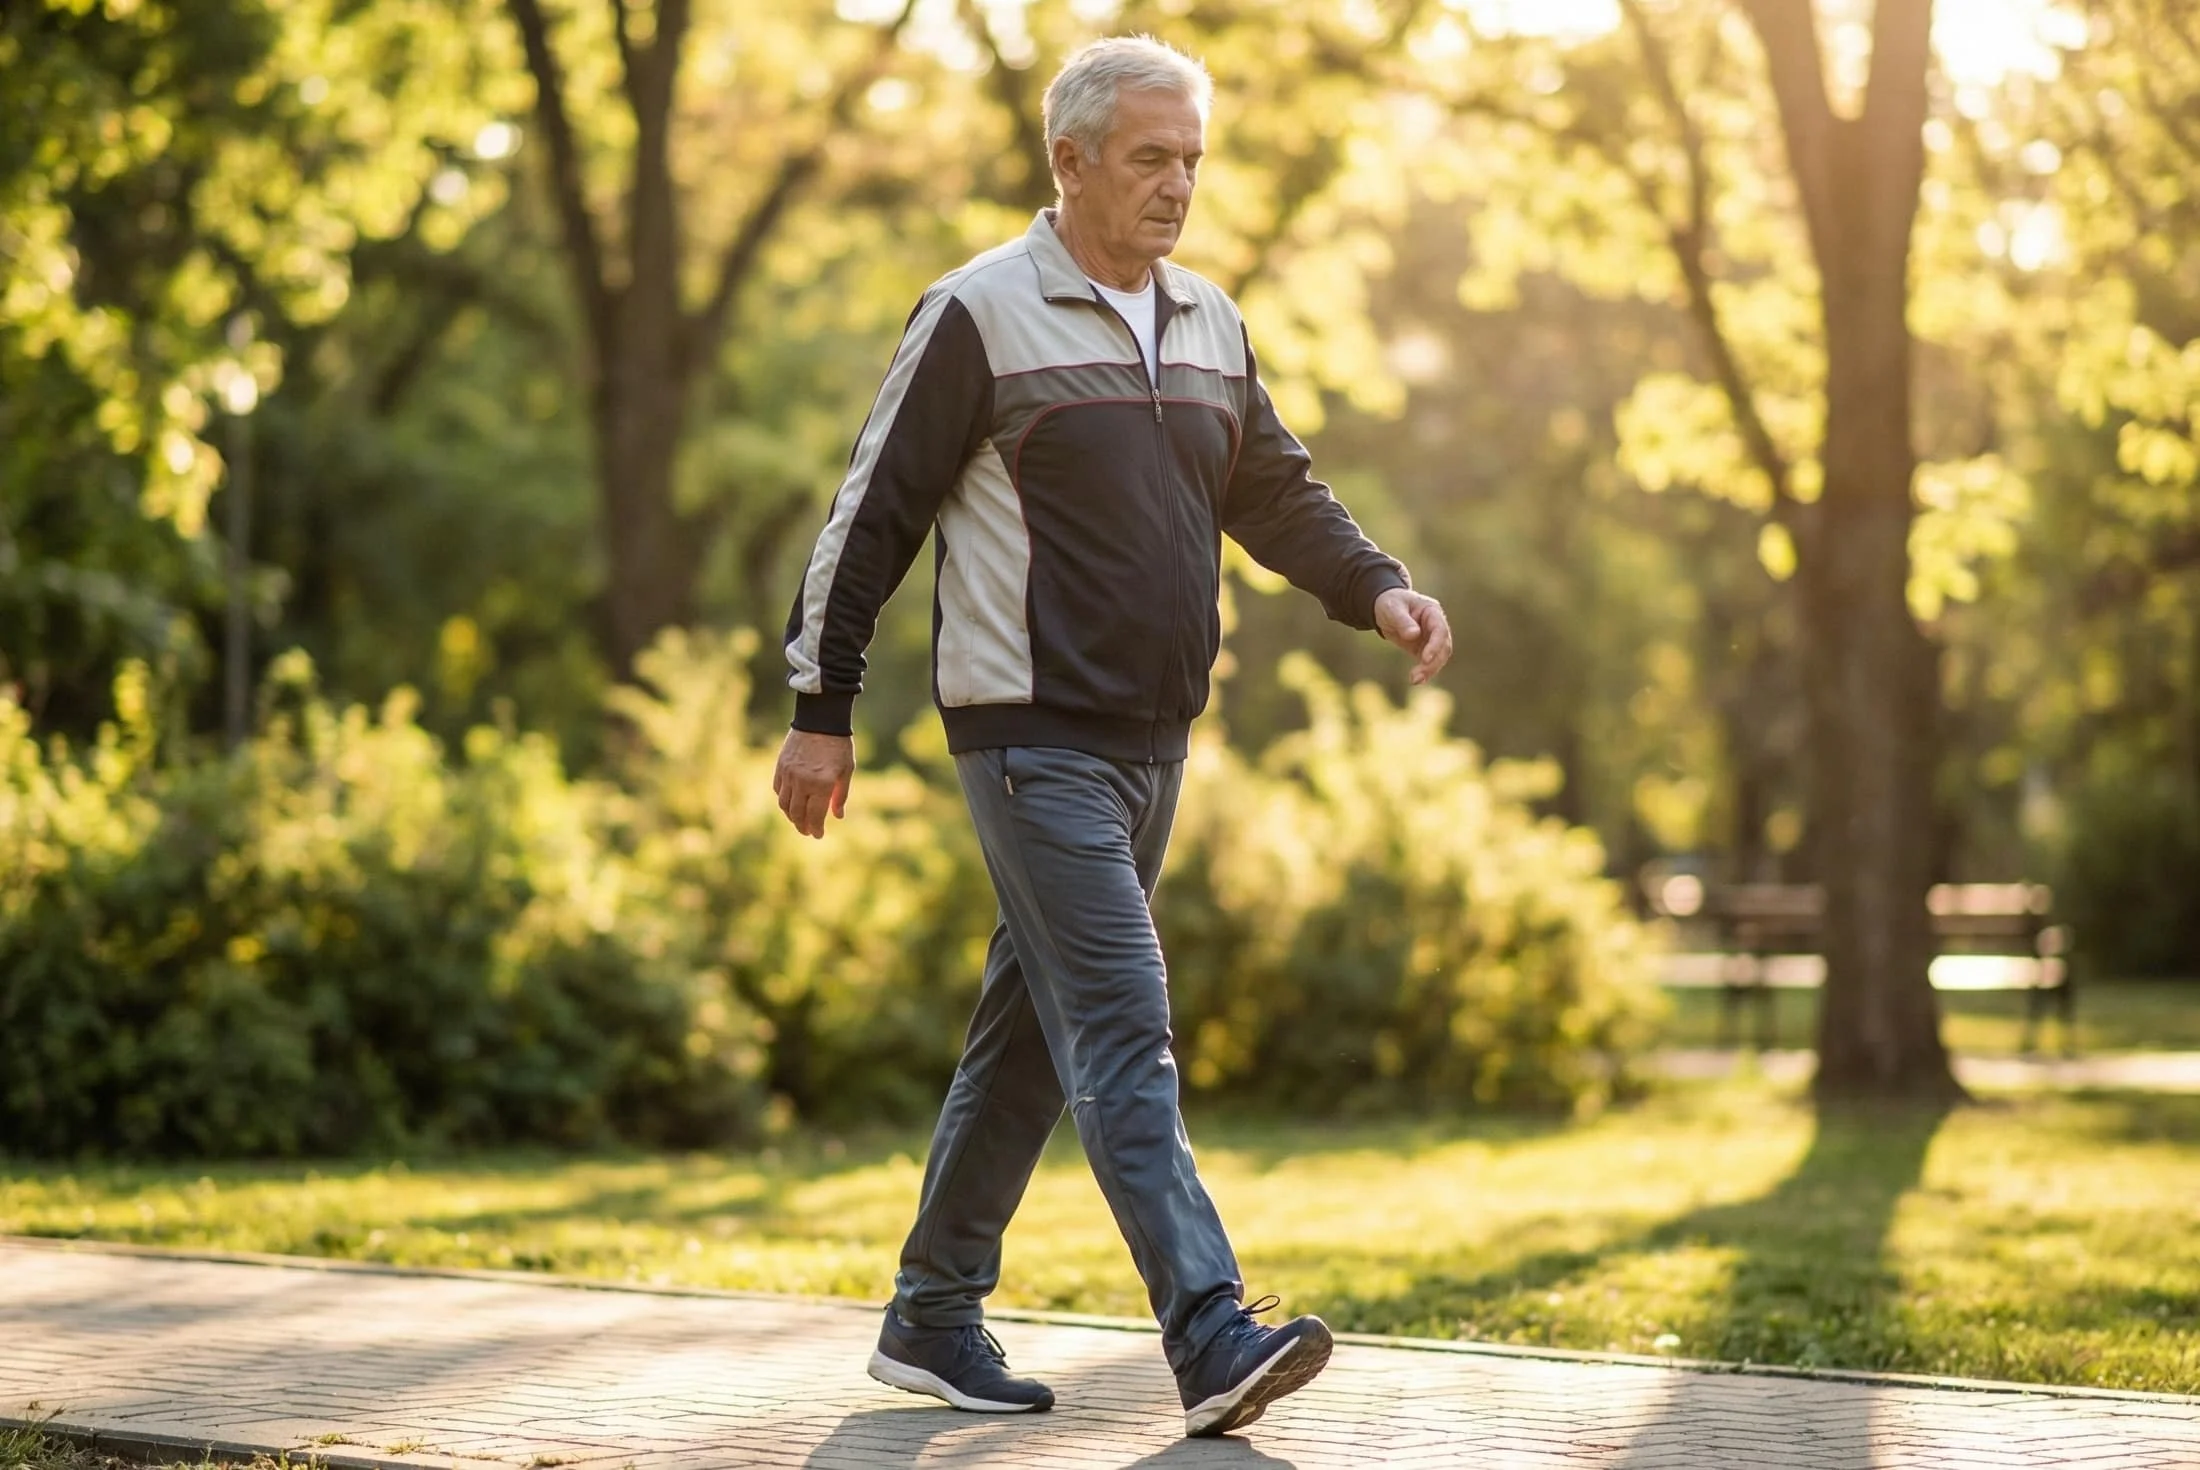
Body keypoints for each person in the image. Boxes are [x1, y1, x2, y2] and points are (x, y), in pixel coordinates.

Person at [772, 33, 1452, 1439]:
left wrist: (1374, 584)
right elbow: (871, 519)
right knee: (1125, 1023)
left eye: (1192, 159)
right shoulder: (979, 314)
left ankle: (931, 1309)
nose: (1177, 187)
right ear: (1068, 161)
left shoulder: (1207, 319)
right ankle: (1210, 1331)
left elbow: (1274, 485)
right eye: (1150, 158)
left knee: (1031, 1033)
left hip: (1158, 741)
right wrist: (820, 709)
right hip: (1029, 738)